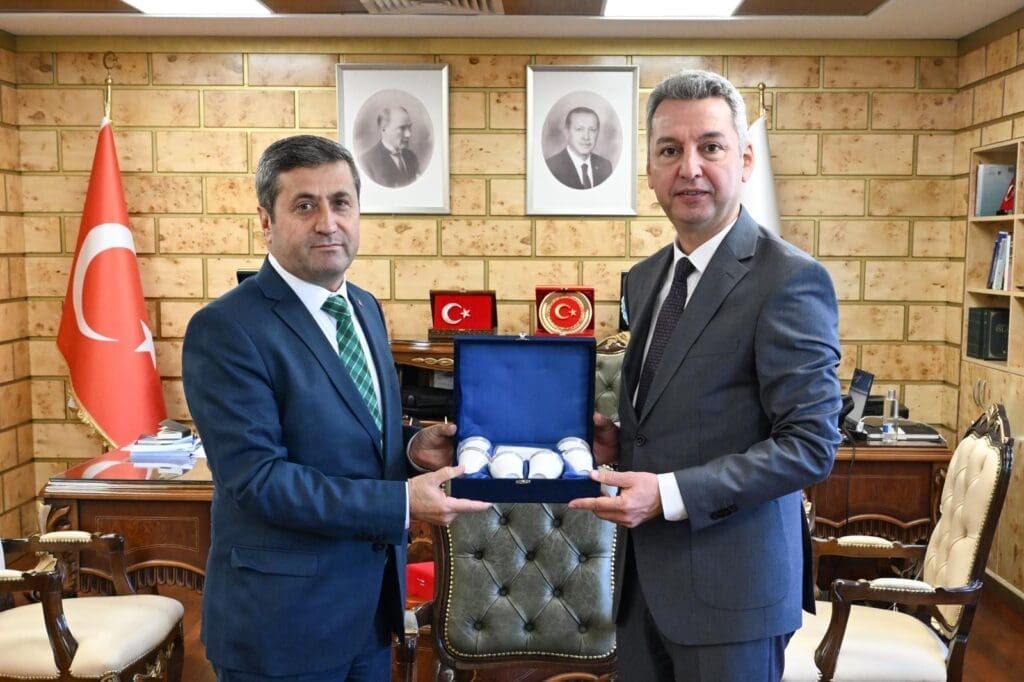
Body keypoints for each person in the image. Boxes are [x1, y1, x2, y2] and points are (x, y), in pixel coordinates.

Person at [182, 134, 490, 681]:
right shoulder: (226, 328)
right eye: (305, 205)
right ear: (266, 220)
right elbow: (258, 480)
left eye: (341, 202)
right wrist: (401, 502)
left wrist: (413, 447)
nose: (328, 223)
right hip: (281, 629)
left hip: (368, 616)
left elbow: (354, 430)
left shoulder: (364, 307)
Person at [569, 70, 842, 681]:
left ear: (744, 160)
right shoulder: (645, 278)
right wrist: (621, 443)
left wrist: (668, 494)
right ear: (650, 169)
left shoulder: (789, 279)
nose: (689, 167)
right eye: (670, 150)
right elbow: (678, 413)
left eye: (710, 147)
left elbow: (810, 446)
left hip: (734, 596)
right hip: (642, 590)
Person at [545, 106, 613, 189]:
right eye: (579, 129)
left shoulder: (605, 166)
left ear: (598, 133)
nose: (586, 137)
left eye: (592, 130)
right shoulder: (552, 167)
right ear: (567, 132)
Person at [359, 105, 421, 188]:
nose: (408, 134)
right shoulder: (366, 161)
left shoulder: (411, 157)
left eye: (409, 127)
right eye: (402, 128)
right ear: (383, 129)